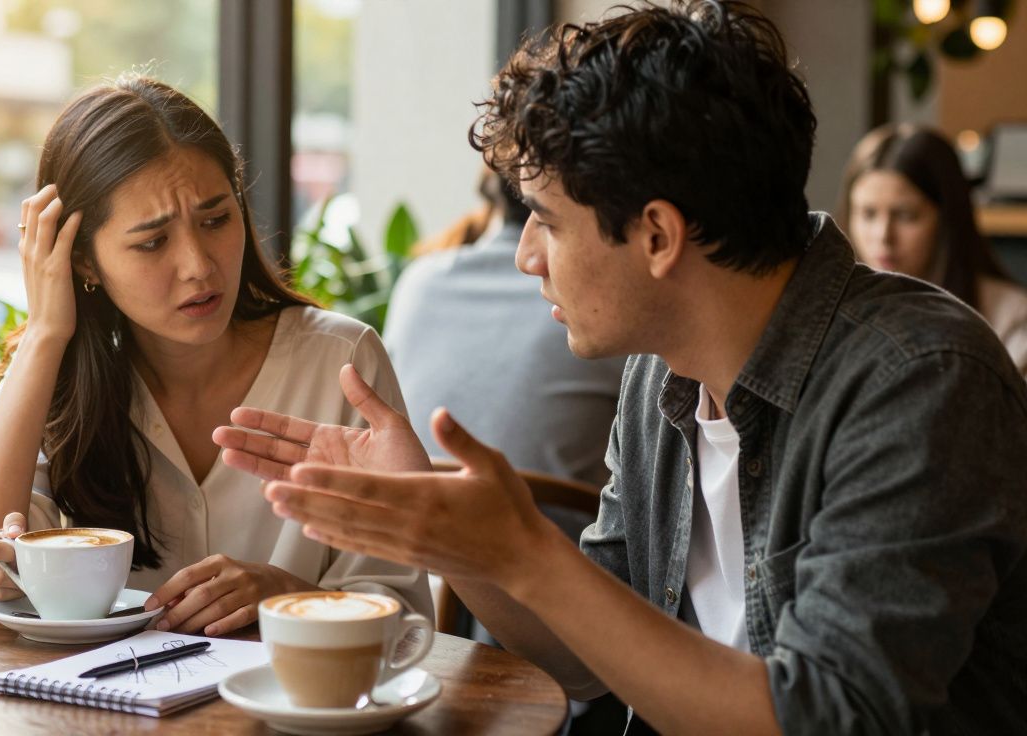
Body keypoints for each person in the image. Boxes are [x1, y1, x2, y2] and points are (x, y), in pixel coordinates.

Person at [212, 2, 1027, 734]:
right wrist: (453, 534)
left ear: (658, 236)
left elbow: (827, 717)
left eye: (546, 221)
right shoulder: (662, 375)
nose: (526, 257)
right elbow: (586, 664)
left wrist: (526, 552)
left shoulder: (921, 380)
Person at [0, 75, 431, 637]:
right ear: (83, 261)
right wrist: (44, 332)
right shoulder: (55, 380)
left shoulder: (340, 363)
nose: (198, 265)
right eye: (152, 242)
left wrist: (287, 598)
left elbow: (407, 618)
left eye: (216, 220)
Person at [383, 168, 626, 531]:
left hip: (415, 549)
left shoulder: (418, 282)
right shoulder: (598, 308)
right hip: (561, 554)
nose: (527, 260)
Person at [841, 123, 1027, 376]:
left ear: (947, 219)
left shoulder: (1012, 320)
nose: (883, 236)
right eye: (868, 214)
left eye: (905, 215)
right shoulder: (830, 314)